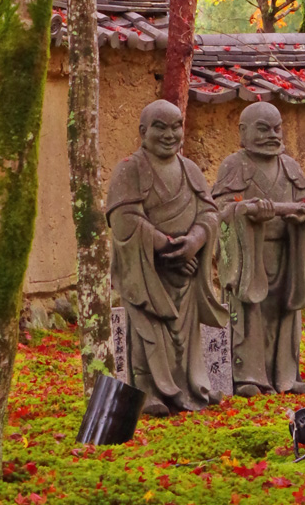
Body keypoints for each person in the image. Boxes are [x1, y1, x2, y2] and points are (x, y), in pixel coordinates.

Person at [107, 100, 228, 415]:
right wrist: (164, 245)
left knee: (185, 338)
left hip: (186, 270)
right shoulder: (130, 168)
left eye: (176, 126)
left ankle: (188, 388)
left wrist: (195, 241)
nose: (170, 134)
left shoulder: (189, 169)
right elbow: (124, 219)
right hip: (148, 270)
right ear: (143, 131)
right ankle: (146, 392)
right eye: (160, 126)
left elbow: (209, 213)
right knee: (148, 332)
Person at [212, 101, 305, 397]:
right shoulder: (235, 165)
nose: (272, 134)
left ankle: (285, 374)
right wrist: (245, 211)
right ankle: (247, 376)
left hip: (286, 252)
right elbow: (220, 210)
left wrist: (303, 214)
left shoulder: (291, 167)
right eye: (263, 128)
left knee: (284, 313)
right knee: (249, 312)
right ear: (243, 132)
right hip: (249, 256)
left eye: (277, 128)